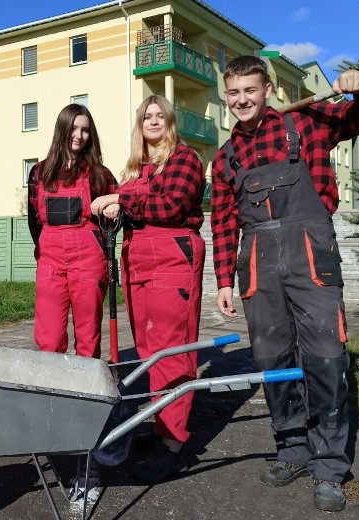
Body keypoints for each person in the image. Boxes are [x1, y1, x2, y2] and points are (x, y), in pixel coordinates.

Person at [211, 55, 359, 512]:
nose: (241, 99)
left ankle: (329, 466)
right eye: (233, 92)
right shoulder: (226, 157)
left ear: (267, 89)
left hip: (311, 257)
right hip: (256, 266)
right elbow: (225, 222)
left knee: (327, 358)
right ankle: (291, 452)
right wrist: (224, 280)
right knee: (273, 361)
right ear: (225, 95)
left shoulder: (307, 124)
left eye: (250, 90)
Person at [91, 94, 206, 482]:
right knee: (148, 351)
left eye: (160, 115)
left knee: (172, 351)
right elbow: (137, 205)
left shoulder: (184, 159)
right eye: (147, 116)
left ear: (170, 122)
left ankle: (174, 443)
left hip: (172, 252)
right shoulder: (136, 170)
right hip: (138, 256)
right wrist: (115, 208)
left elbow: (171, 204)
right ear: (140, 125)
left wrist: (120, 198)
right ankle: (159, 428)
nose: (153, 121)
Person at [26, 103, 117, 515]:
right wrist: (46, 252)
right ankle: (52, 414)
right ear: (62, 128)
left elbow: (115, 215)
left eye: (85, 129)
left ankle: (85, 419)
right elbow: (34, 220)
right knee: (47, 341)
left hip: (88, 261)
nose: (79, 136)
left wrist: (114, 209)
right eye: (73, 128)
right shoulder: (39, 173)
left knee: (87, 344)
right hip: (49, 261)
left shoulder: (99, 175)